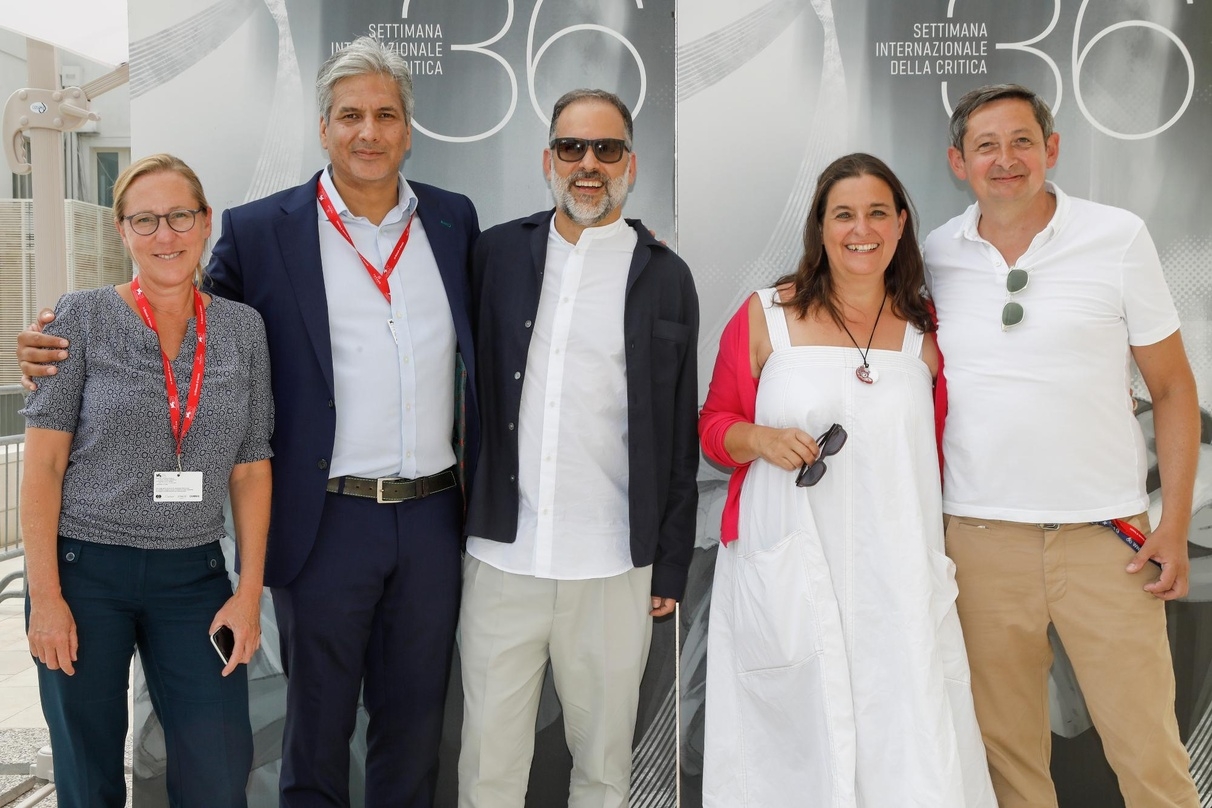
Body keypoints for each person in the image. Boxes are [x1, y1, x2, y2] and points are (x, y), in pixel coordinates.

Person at [19, 37, 479, 808]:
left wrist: (612, 252)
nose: (368, 131)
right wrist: (52, 342)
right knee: (316, 726)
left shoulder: (456, 222)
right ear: (324, 126)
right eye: (349, 116)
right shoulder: (266, 229)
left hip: (433, 514)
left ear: (408, 127)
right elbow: (179, 299)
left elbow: (509, 308)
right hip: (327, 517)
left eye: (385, 115)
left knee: (418, 722)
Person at [924, 83, 1200, 807]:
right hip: (980, 543)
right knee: (1008, 766)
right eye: (986, 145)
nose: (1005, 159)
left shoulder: (1117, 238)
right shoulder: (930, 255)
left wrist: (1171, 524)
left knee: (1150, 756)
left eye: (1022, 141)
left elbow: (1172, 389)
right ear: (959, 161)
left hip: (1108, 542)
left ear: (1051, 150)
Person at [698, 153, 995, 807]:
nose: (860, 229)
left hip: (897, 578)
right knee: (787, 748)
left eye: (876, 213)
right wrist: (761, 439)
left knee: (906, 739)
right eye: (843, 215)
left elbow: (956, 449)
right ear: (820, 227)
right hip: (791, 565)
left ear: (901, 223)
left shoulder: (929, 333)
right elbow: (714, 426)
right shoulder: (765, 315)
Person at [458, 88, 699, 807]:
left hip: (613, 566)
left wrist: (672, 563)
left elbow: (679, 434)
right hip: (503, 560)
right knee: (488, 768)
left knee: (602, 771)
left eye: (607, 149)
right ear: (548, 159)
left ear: (631, 162)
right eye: (572, 147)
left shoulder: (666, 276)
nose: (588, 165)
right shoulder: (495, 254)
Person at [19, 153, 272, 807]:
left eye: (180, 216)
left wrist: (248, 592)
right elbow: (43, 466)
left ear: (205, 221)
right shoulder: (77, 320)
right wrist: (44, 596)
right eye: (146, 220)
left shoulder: (243, 331)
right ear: (122, 231)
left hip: (193, 577)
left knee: (219, 769)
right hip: (83, 574)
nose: (166, 235)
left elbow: (249, 466)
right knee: (88, 772)